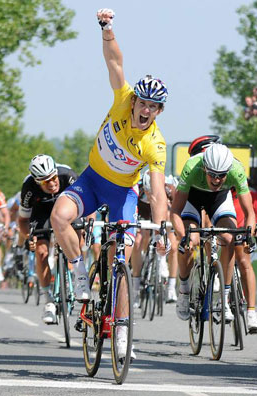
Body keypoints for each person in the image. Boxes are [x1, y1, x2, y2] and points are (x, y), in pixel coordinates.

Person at [50, 8, 169, 361]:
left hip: (123, 195)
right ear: (134, 101)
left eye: (154, 107)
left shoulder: (155, 143)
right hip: (91, 180)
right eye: (143, 102)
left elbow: (158, 191)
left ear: (159, 112)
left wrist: (161, 229)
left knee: (121, 262)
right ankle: (80, 274)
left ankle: (121, 328)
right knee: (60, 216)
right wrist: (107, 29)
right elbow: (115, 62)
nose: (146, 110)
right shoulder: (122, 100)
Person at [171, 143, 256, 325]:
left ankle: (223, 298)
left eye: (222, 176)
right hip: (192, 198)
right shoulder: (192, 166)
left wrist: (249, 235)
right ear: (204, 168)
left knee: (229, 238)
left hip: (220, 199)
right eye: (212, 175)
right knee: (191, 240)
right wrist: (182, 236)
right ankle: (184, 290)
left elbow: (249, 213)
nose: (217, 180)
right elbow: (175, 211)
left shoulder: (236, 169)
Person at [16, 154, 77, 324]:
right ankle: (48, 301)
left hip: (67, 206)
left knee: (78, 232)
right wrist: (28, 237)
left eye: (53, 178)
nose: (51, 183)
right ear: (36, 182)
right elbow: (22, 220)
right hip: (41, 211)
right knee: (41, 252)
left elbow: (87, 205)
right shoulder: (28, 188)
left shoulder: (68, 176)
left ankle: (73, 270)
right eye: (45, 182)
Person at [131, 172, 179, 306]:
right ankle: (135, 288)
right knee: (138, 241)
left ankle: (171, 287)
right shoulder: (138, 190)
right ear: (144, 188)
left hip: (163, 210)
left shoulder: (169, 189)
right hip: (143, 211)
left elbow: (175, 211)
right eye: (148, 192)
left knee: (173, 246)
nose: (151, 195)